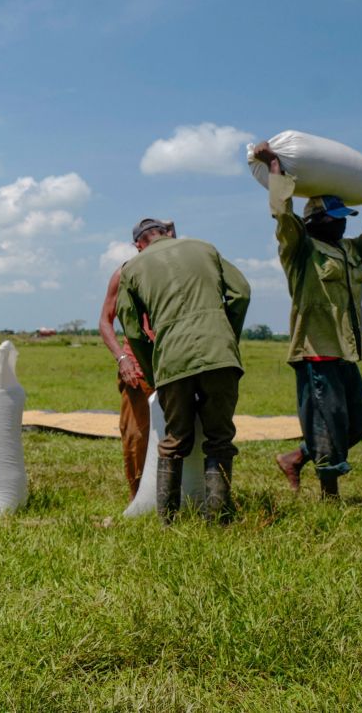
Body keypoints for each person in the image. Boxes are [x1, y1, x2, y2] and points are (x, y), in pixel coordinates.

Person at [252, 142, 362, 499]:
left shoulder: (350, 252)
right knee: (327, 424)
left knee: (359, 423)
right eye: (336, 217)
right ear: (317, 219)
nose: (342, 224)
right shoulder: (300, 249)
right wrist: (274, 170)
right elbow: (284, 217)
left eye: (345, 218)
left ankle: (295, 457)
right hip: (316, 348)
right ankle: (329, 497)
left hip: (345, 350)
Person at [115, 220, 251, 524]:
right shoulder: (205, 248)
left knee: (174, 440)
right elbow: (241, 292)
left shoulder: (133, 269)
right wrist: (227, 335)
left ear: (140, 243)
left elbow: (132, 328)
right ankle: (218, 519)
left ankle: (168, 522)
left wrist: (153, 372)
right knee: (219, 439)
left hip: (172, 360)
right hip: (220, 354)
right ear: (166, 233)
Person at [98, 219, 174, 499]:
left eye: (160, 236)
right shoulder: (125, 273)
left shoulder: (175, 269)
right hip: (137, 367)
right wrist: (122, 358)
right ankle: (138, 497)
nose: (154, 242)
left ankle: (174, 492)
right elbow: (105, 322)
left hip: (174, 362)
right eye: (148, 238)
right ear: (138, 245)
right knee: (136, 435)